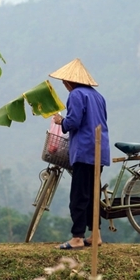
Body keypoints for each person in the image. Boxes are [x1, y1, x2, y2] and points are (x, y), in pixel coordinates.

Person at [50, 58, 110, 250]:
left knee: (79, 195)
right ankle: (96, 235)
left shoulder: (76, 95)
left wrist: (61, 121)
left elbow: (74, 121)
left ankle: (77, 237)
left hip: (84, 150)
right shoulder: (98, 96)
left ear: (69, 82)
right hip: (99, 149)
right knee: (93, 194)